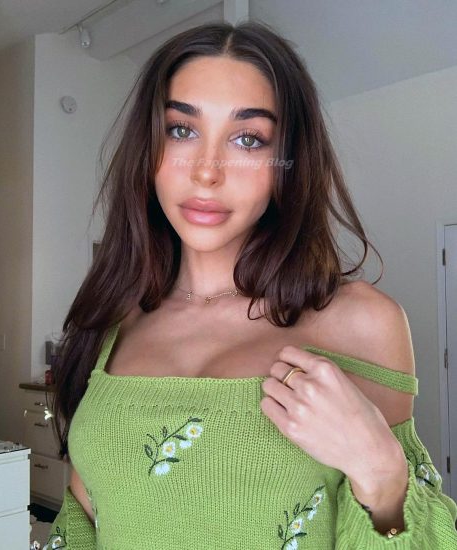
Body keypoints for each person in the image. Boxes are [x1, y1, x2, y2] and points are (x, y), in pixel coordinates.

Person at [45, 19, 457, 549]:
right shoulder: (113, 319)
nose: (207, 172)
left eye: (248, 139)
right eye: (181, 130)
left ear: (287, 164)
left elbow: (402, 529)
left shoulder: (360, 324)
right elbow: (85, 516)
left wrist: (381, 474)